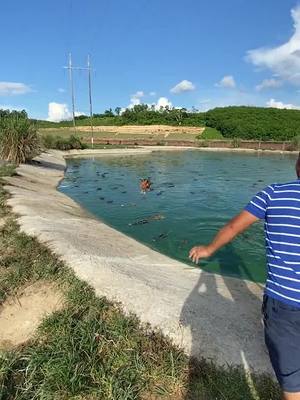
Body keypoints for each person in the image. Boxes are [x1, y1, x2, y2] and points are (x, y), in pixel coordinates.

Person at [189, 153, 300, 400]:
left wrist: (208, 249)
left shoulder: (273, 193)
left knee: (293, 382)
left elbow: (233, 227)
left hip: (285, 303)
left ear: (297, 166)